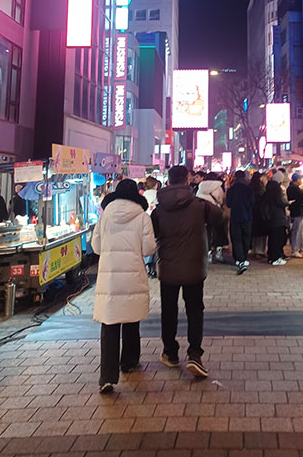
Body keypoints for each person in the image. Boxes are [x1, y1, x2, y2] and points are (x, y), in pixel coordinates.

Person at [151, 165, 223, 377]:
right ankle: (194, 354)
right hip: (193, 267)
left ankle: (170, 353)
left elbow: (153, 232)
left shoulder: (159, 209)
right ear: (187, 180)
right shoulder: (199, 205)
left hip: (168, 267)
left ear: (168, 181)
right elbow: (219, 216)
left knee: (168, 310)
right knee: (195, 310)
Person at [92, 179, 155, 393]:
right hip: (132, 274)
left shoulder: (105, 216)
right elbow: (148, 249)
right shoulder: (143, 217)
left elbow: (96, 246)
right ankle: (129, 361)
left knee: (109, 325)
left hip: (109, 277)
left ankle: (107, 378)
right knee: (131, 318)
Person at [226, 171, 255, 275]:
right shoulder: (249, 189)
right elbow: (252, 203)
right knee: (246, 238)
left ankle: (239, 259)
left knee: (236, 238)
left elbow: (228, 204)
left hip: (235, 216)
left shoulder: (231, 189)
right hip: (247, 216)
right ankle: (243, 258)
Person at [196, 172, 228, 262]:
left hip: (203, 212)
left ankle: (208, 254)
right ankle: (218, 253)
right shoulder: (218, 187)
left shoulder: (201, 187)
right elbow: (220, 200)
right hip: (215, 212)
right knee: (219, 232)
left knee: (207, 233)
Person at [264, 178, 289, 265]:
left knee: (272, 239)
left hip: (270, 221)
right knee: (278, 239)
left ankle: (271, 257)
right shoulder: (277, 195)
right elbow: (281, 203)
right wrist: (288, 203)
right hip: (278, 220)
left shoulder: (266, 195)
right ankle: (275, 258)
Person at [287, 173, 303, 258]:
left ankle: (302, 249)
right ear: (297, 180)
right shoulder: (293, 188)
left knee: (302, 231)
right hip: (297, 212)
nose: (301, 180)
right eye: (300, 179)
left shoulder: (293, 187)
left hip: (299, 212)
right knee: (297, 231)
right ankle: (295, 250)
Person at [143, 176, 160, 278]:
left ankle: (148, 264)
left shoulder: (144, 195)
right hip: (155, 219)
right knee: (155, 241)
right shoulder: (157, 194)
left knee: (146, 241)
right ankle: (153, 264)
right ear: (155, 184)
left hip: (145, 219)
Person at [250, 172, 268, 257]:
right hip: (260, 213)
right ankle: (259, 251)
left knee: (254, 233)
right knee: (261, 233)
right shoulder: (260, 188)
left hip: (252, 212)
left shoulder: (250, 186)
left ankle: (254, 249)